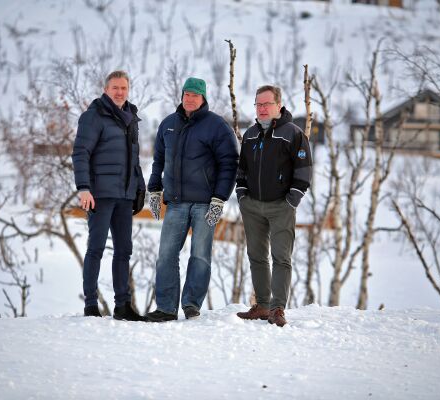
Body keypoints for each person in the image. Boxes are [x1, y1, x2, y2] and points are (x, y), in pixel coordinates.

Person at [145, 77, 239, 322]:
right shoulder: (167, 124)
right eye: (187, 94)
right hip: (175, 202)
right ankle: (165, 308)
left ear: (203, 98)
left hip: (205, 204)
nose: (189, 98)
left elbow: (229, 164)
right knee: (165, 254)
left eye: (195, 95)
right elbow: (159, 160)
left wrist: (219, 198)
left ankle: (191, 305)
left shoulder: (217, 126)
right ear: (182, 95)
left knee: (200, 254)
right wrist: (154, 189)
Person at [71, 70, 146, 321]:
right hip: (100, 195)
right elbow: (81, 152)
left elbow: (134, 159)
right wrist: (83, 188)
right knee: (96, 248)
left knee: (124, 250)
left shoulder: (131, 118)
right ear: (106, 89)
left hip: (124, 196)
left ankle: (122, 306)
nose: (119, 92)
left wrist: (139, 188)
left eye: (123, 88)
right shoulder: (93, 117)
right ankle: (91, 305)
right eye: (115, 87)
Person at [235, 85, 312, 327]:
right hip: (253, 206)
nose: (262, 109)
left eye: (267, 104)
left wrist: (292, 199)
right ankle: (263, 305)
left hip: (281, 205)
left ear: (279, 105)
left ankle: (277, 309)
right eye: (258, 104)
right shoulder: (249, 135)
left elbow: (304, 170)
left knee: (281, 258)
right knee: (256, 256)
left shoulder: (293, 133)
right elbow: (242, 169)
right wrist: (242, 195)